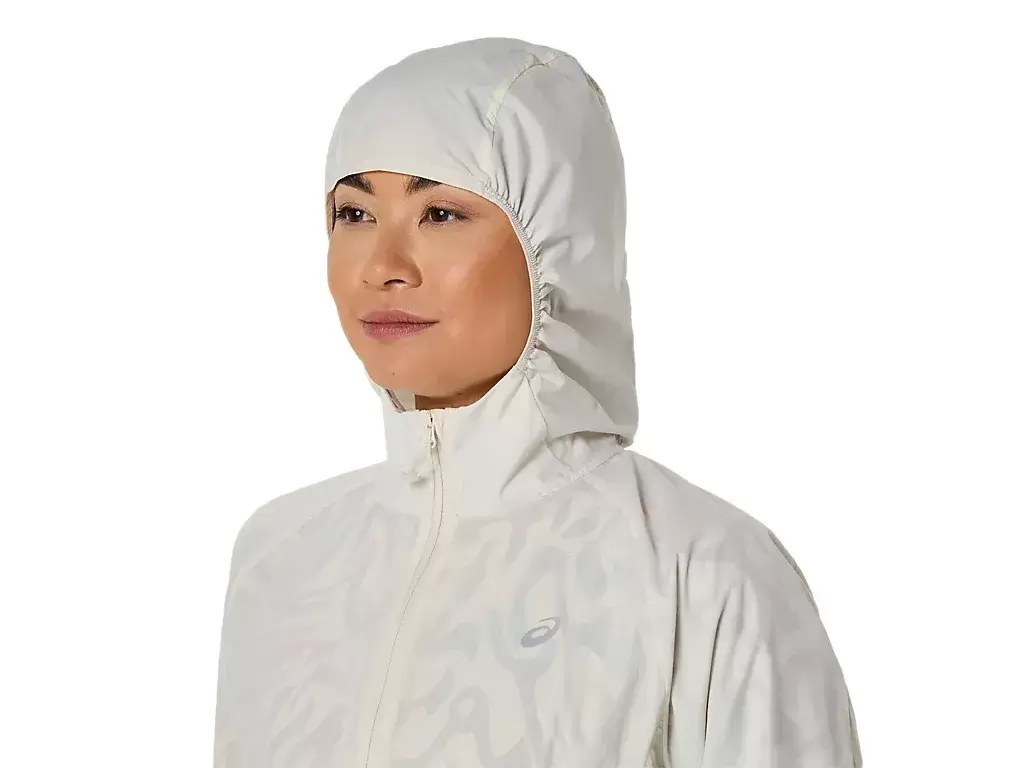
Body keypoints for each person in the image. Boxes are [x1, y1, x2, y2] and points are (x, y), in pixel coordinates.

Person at [212, 36, 863, 768]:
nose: (383, 267)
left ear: (556, 243)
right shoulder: (281, 558)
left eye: (441, 214)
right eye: (355, 214)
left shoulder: (700, 572)